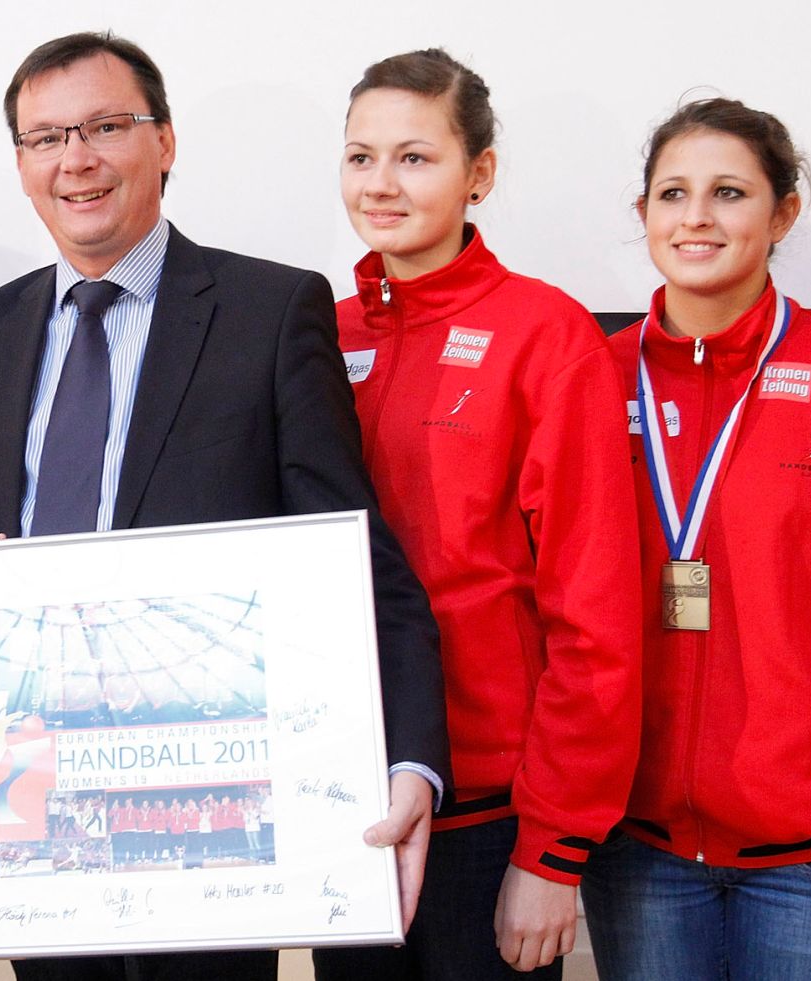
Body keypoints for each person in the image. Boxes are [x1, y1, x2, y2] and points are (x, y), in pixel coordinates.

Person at [0, 31, 450, 981]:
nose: (74, 159)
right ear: (20, 164)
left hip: (209, 795)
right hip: (32, 797)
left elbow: (354, 553)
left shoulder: (272, 310)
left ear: (165, 142)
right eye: (45, 138)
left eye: (105, 127)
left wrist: (410, 758)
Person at [310, 49, 641, 980]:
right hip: (352, 806)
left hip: (491, 823)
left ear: (479, 173)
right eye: (360, 157)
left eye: (414, 158)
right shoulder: (316, 333)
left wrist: (552, 850)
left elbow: (596, 610)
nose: (381, 185)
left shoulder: (546, 334)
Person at [581, 98, 811, 981]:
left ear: (783, 214)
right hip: (641, 847)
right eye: (672, 194)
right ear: (645, 216)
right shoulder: (591, 379)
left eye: (728, 192)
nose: (695, 216)